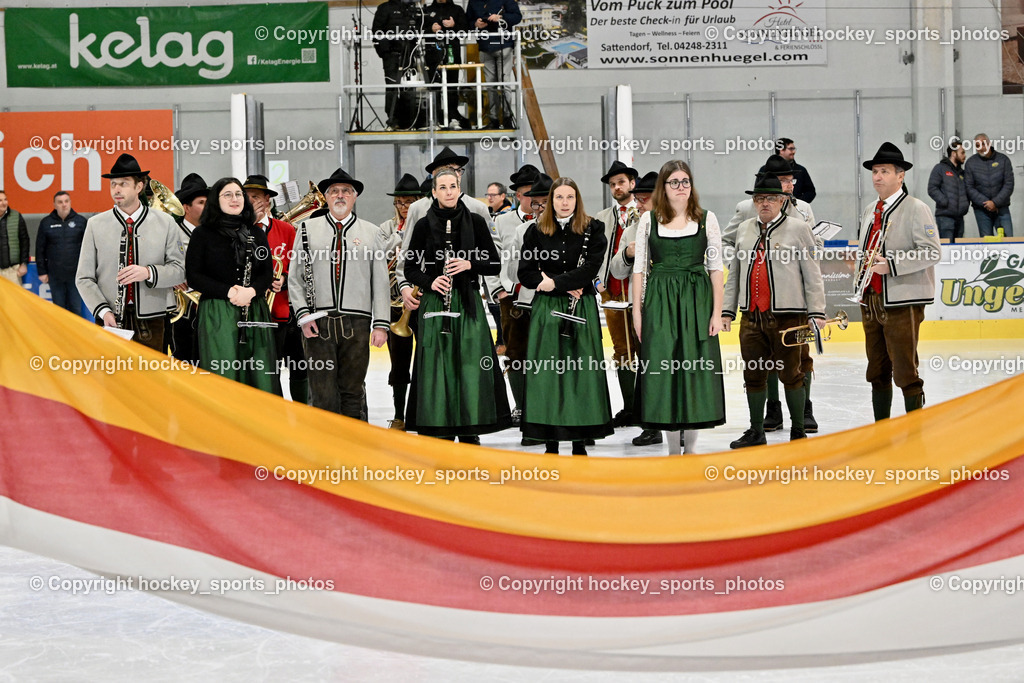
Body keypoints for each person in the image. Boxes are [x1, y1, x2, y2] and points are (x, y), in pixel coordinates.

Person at [402, 168, 511, 441]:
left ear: (459, 188)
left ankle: (470, 428)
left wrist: (469, 264)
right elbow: (410, 269)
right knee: (437, 366)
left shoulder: (475, 221)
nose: (449, 191)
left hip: (467, 301)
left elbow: (495, 263)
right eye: (443, 187)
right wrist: (431, 282)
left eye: (453, 186)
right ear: (434, 192)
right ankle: (439, 427)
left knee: (469, 366)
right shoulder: (424, 225)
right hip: (436, 302)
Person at [627, 161, 726, 455]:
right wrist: (637, 312)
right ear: (664, 187)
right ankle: (672, 448)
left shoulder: (708, 219)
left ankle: (692, 449)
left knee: (695, 369)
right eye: (674, 182)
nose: (681, 187)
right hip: (660, 300)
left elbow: (716, 268)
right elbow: (640, 269)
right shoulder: (649, 220)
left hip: (697, 300)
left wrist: (717, 313)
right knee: (664, 367)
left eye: (685, 181)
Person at [722, 174, 825, 448]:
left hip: (789, 316)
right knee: (753, 373)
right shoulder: (744, 229)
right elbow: (735, 274)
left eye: (770, 198)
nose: (764, 203)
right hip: (751, 317)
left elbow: (812, 274)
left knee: (792, 373)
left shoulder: (799, 228)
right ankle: (757, 431)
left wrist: (816, 312)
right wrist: (727, 310)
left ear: (782, 200)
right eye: (759, 198)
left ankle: (798, 431)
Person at [518, 177, 612, 455]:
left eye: (570, 197)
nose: (564, 202)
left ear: (577, 200)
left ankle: (579, 440)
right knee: (546, 374)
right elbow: (525, 272)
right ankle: (550, 441)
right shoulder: (535, 231)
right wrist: (552, 284)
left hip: (579, 305)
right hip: (547, 306)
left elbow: (592, 268)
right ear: (551, 200)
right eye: (559, 197)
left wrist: (556, 282)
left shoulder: (594, 228)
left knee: (579, 373)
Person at [288, 168, 390, 418]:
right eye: (334, 191)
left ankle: (353, 446)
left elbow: (381, 280)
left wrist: (381, 324)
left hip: (358, 322)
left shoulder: (372, 232)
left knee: (353, 390)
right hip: (317, 322)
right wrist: (303, 316)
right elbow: (295, 278)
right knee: (321, 391)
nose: (340, 195)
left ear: (355, 197)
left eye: (346, 191)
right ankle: (324, 448)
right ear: (326, 197)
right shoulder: (305, 229)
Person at [856, 142, 941, 419]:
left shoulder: (917, 208)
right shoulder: (871, 209)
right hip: (871, 298)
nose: (877, 177)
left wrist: (890, 265)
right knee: (877, 369)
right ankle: (882, 429)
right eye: (875, 172)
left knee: (905, 370)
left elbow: (931, 252)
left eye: (884, 171)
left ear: (900, 175)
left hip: (903, 300)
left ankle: (914, 429)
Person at [76, 154, 185, 352]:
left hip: (153, 320)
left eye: (124, 184)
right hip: (110, 320)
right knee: (113, 381)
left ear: (139, 186)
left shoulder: (166, 223)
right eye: (113, 184)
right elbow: (83, 278)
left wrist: (149, 273)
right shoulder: (95, 225)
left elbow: (179, 271)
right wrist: (103, 311)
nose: (116, 189)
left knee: (151, 380)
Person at [185, 178, 278, 393]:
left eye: (238, 194)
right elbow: (194, 276)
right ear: (216, 200)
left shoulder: (256, 233)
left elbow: (266, 273)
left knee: (260, 374)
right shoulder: (202, 234)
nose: (234, 199)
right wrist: (230, 291)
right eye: (227, 194)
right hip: (217, 313)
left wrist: (252, 291)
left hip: (254, 309)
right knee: (223, 374)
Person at [395, 146, 494, 320]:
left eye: (457, 170)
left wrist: (470, 264)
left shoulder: (478, 209)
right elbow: (407, 253)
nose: (453, 174)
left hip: (467, 291)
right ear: (434, 175)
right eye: (445, 170)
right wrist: (405, 286)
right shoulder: (418, 208)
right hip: (427, 289)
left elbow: (494, 254)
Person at [593, 160, 647, 439]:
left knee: (646, 349)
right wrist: (598, 284)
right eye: (612, 184)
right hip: (612, 291)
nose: (617, 187)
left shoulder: (646, 214)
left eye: (621, 182)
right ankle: (629, 407)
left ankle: (646, 407)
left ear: (632, 184)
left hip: (641, 292)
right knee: (622, 350)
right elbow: (593, 254)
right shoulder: (601, 218)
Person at [244, 174, 307, 404]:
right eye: (248, 197)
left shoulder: (287, 230)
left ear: (268, 200)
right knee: (268, 370)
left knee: (299, 366)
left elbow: (299, 267)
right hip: (254, 313)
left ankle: (302, 413)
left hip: (283, 311)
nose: (251, 202)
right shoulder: (240, 231)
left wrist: (285, 278)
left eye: (256, 197)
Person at [493, 166, 541, 425]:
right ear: (517, 196)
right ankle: (522, 407)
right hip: (512, 297)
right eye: (527, 194)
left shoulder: (549, 219)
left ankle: (543, 405)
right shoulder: (502, 222)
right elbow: (491, 257)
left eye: (538, 193)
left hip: (544, 295)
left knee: (545, 351)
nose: (533, 199)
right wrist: (498, 290)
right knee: (515, 352)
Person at [379, 173, 421, 430]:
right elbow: (381, 255)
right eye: (399, 203)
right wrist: (400, 235)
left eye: (408, 202)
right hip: (395, 304)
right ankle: (398, 413)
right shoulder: (385, 228)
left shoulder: (426, 224)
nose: (403, 207)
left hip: (420, 301)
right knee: (399, 363)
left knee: (426, 359)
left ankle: (422, 412)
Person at [169, 172, 209, 365]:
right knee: (182, 362)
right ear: (186, 207)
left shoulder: (214, 234)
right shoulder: (171, 234)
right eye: (201, 202)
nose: (208, 207)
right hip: (181, 312)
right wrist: (172, 276)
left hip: (209, 308)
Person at [467, 0, 522, 128]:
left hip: (504, 45)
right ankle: (494, 119)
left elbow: (517, 16)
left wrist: (501, 17)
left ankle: (507, 117)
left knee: (504, 82)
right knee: (491, 85)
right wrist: (475, 24)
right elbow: (467, 21)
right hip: (484, 46)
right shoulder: (473, 2)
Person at [371, 0, 424, 130]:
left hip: (409, 53)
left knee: (409, 89)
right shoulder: (385, 8)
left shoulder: (414, 8)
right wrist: (385, 52)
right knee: (392, 87)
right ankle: (392, 120)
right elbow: (377, 32)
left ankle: (408, 121)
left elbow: (420, 29)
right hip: (392, 55)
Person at [424, 0, 472, 130]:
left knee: (452, 86)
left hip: (452, 52)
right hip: (432, 54)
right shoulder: (427, 10)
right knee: (434, 87)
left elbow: (466, 30)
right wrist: (431, 29)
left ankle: (453, 118)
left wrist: (454, 25)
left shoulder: (457, 9)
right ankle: (434, 119)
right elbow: (418, 31)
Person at [36, 191, 86, 313]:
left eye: (66, 201)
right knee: (59, 310)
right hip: (55, 275)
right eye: (60, 202)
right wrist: (42, 272)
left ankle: (75, 333)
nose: (64, 204)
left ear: (70, 203)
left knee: (76, 309)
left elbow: (88, 249)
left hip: (75, 275)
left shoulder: (81, 222)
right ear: (54, 205)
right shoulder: (46, 223)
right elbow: (40, 249)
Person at [965, 133, 1014, 237]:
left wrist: (995, 202)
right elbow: (969, 187)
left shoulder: (1003, 160)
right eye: (978, 145)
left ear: (989, 143)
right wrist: (987, 204)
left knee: (1008, 240)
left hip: (1002, 208)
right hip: (982, 210)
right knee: (986, 245)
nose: (981, 148)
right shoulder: (970, 163)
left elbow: (1009, 184)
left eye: (983, 144)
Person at [928, 137, 969, 241]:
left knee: (958, 250)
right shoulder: (940, 168)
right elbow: (932, 188)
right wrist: (945, 202)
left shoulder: (962, 173)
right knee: (947, 248)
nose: (965, 156)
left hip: (960, 218)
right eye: (962, 153)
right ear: (954, 153)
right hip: (945, 217)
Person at [0, 189, 30, 285]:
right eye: (0, 200)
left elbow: (24, 241)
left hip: (13, 271)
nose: (4, 203)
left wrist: (24, 264)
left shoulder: (16, 216)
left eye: (5, 199)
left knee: (13, 300)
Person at [774, 137, 816, 203]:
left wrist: (797, 203)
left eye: (794, 149)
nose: (793, 152)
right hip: (773, 210)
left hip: (795, 210)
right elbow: (760, 192)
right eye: (791, 149)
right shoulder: (765, 170)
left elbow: (810, 192)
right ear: (781, 150)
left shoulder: (801, 170)